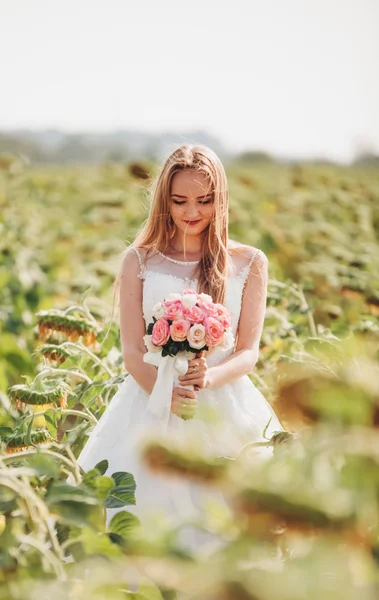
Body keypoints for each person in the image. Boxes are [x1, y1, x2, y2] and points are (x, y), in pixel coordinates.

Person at [68, 144, 285, 551]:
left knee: (230, 523)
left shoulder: (249, 262)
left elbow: (248, 350)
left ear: (220, 199)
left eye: (204, 201)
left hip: (225, 402)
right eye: (180, 200)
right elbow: (132, 352)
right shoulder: (139, 260)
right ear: (163, 199)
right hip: (149, 399)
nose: (192, 212)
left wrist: (210, 377)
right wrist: (167, 395)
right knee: (134, 520)